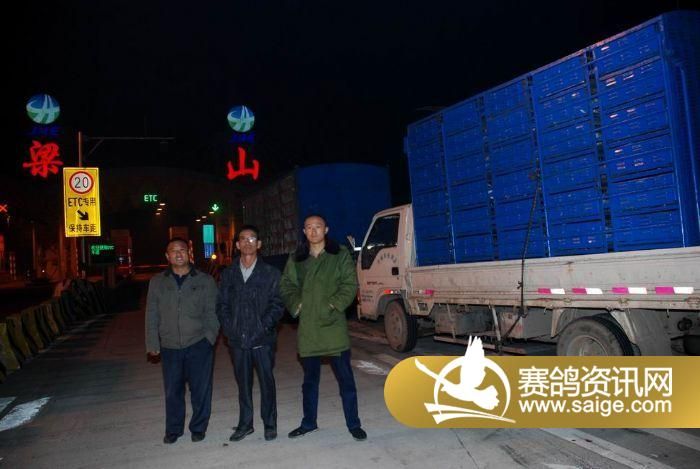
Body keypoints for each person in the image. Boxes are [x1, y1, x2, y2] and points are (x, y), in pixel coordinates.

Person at [280, 214, 367, 441]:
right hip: (309, 328)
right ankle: (309, 423)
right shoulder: (297, 258)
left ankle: (354, 424)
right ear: (304, 232)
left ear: (326, 229)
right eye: (308, 227)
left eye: (317, 227)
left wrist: (333, 305)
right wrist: (297, 305)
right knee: (309, 381)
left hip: (333, 325)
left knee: (345, 380)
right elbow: (286, 285)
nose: (313, 231)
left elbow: (350, 284)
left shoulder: (339, 254)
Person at [145, 238, 219, 444]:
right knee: (172, 391)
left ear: (189, 253)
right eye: (173, 251)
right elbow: (152, 314)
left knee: (200, 390)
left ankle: (198, 427)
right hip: (170, 346)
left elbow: (213, 312)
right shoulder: (157, 282)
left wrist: (209, 338)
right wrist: (152, 343)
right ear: (167, 256)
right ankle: (174, 429)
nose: (178, 254)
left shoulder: (204, 281)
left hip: (198, 343)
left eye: (182, 250)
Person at [216, 225, 285, 442]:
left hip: (263, 339)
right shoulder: (229, 274)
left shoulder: (270, 273)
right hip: (238, 340)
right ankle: (245, 424)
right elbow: (221, 305)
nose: (247, 242)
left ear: (259, 244)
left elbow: (277, 304)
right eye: (243, 239)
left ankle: (270, 424)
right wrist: (230, 328)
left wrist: (263, 326)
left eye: (252, 238)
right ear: (237, 245)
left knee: (266, 382)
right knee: (243, 384)